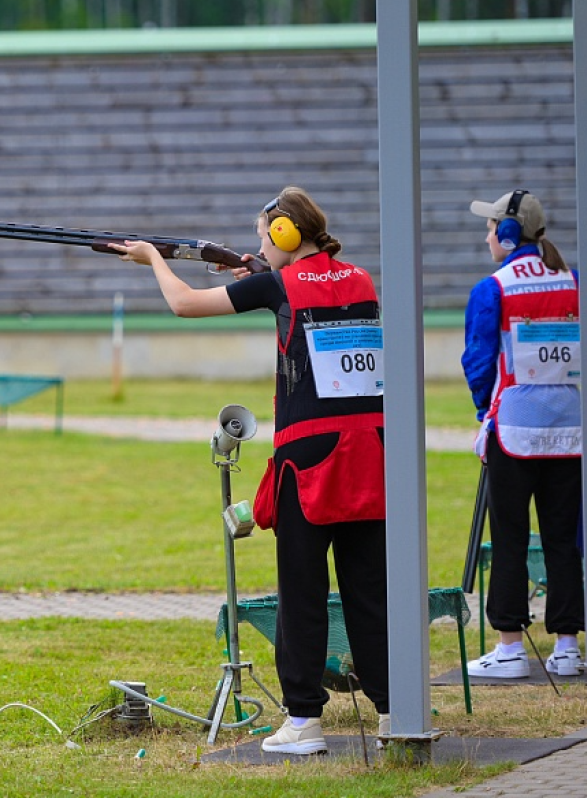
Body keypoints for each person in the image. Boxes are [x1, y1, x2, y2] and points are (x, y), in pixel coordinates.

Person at [110, 186, 389, 754]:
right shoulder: (360, 278)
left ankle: (305, 721)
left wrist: (154, 259)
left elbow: (184, 304)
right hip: (369, 452)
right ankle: (392, 711)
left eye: (263, 235)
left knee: (303, 593)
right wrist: (261, 274)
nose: (259, 243)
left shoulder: (280, 283)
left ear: (285, 234)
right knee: (369, 593)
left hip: (308, 458)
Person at [462, 189, 587, 679]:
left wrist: (484, 411)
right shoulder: (577, 282)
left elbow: (478, 363)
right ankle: (568, 644)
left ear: (508, 236)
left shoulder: (495, 287)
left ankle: (510, 646)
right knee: (562, 539)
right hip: (573, 432)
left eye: (491, 227)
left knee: (509, 537)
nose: (487, 235)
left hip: (514, 432)